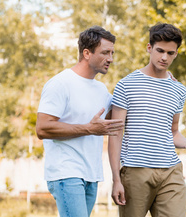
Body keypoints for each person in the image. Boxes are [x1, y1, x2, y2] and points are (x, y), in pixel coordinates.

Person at [108, 23, 186, 217]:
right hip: (135, 171)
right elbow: (116, 134)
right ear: (149, 48)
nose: (164, 57)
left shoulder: (179, 90)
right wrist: (116, 178)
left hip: (170, 171)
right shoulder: (126, 85)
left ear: (176, 54)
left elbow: (173, 132)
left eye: (170, 53)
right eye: (160, 51)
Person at [35, 25, 124, 217]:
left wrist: (162, 78)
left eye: (112, 53)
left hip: (91, 174)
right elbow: (42, 128)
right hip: (66, 172)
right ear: (86, 53)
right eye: (105, 53)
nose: (111, 59)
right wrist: (89, 129)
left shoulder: (101, 90)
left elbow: (123, 117)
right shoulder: (60, 83)